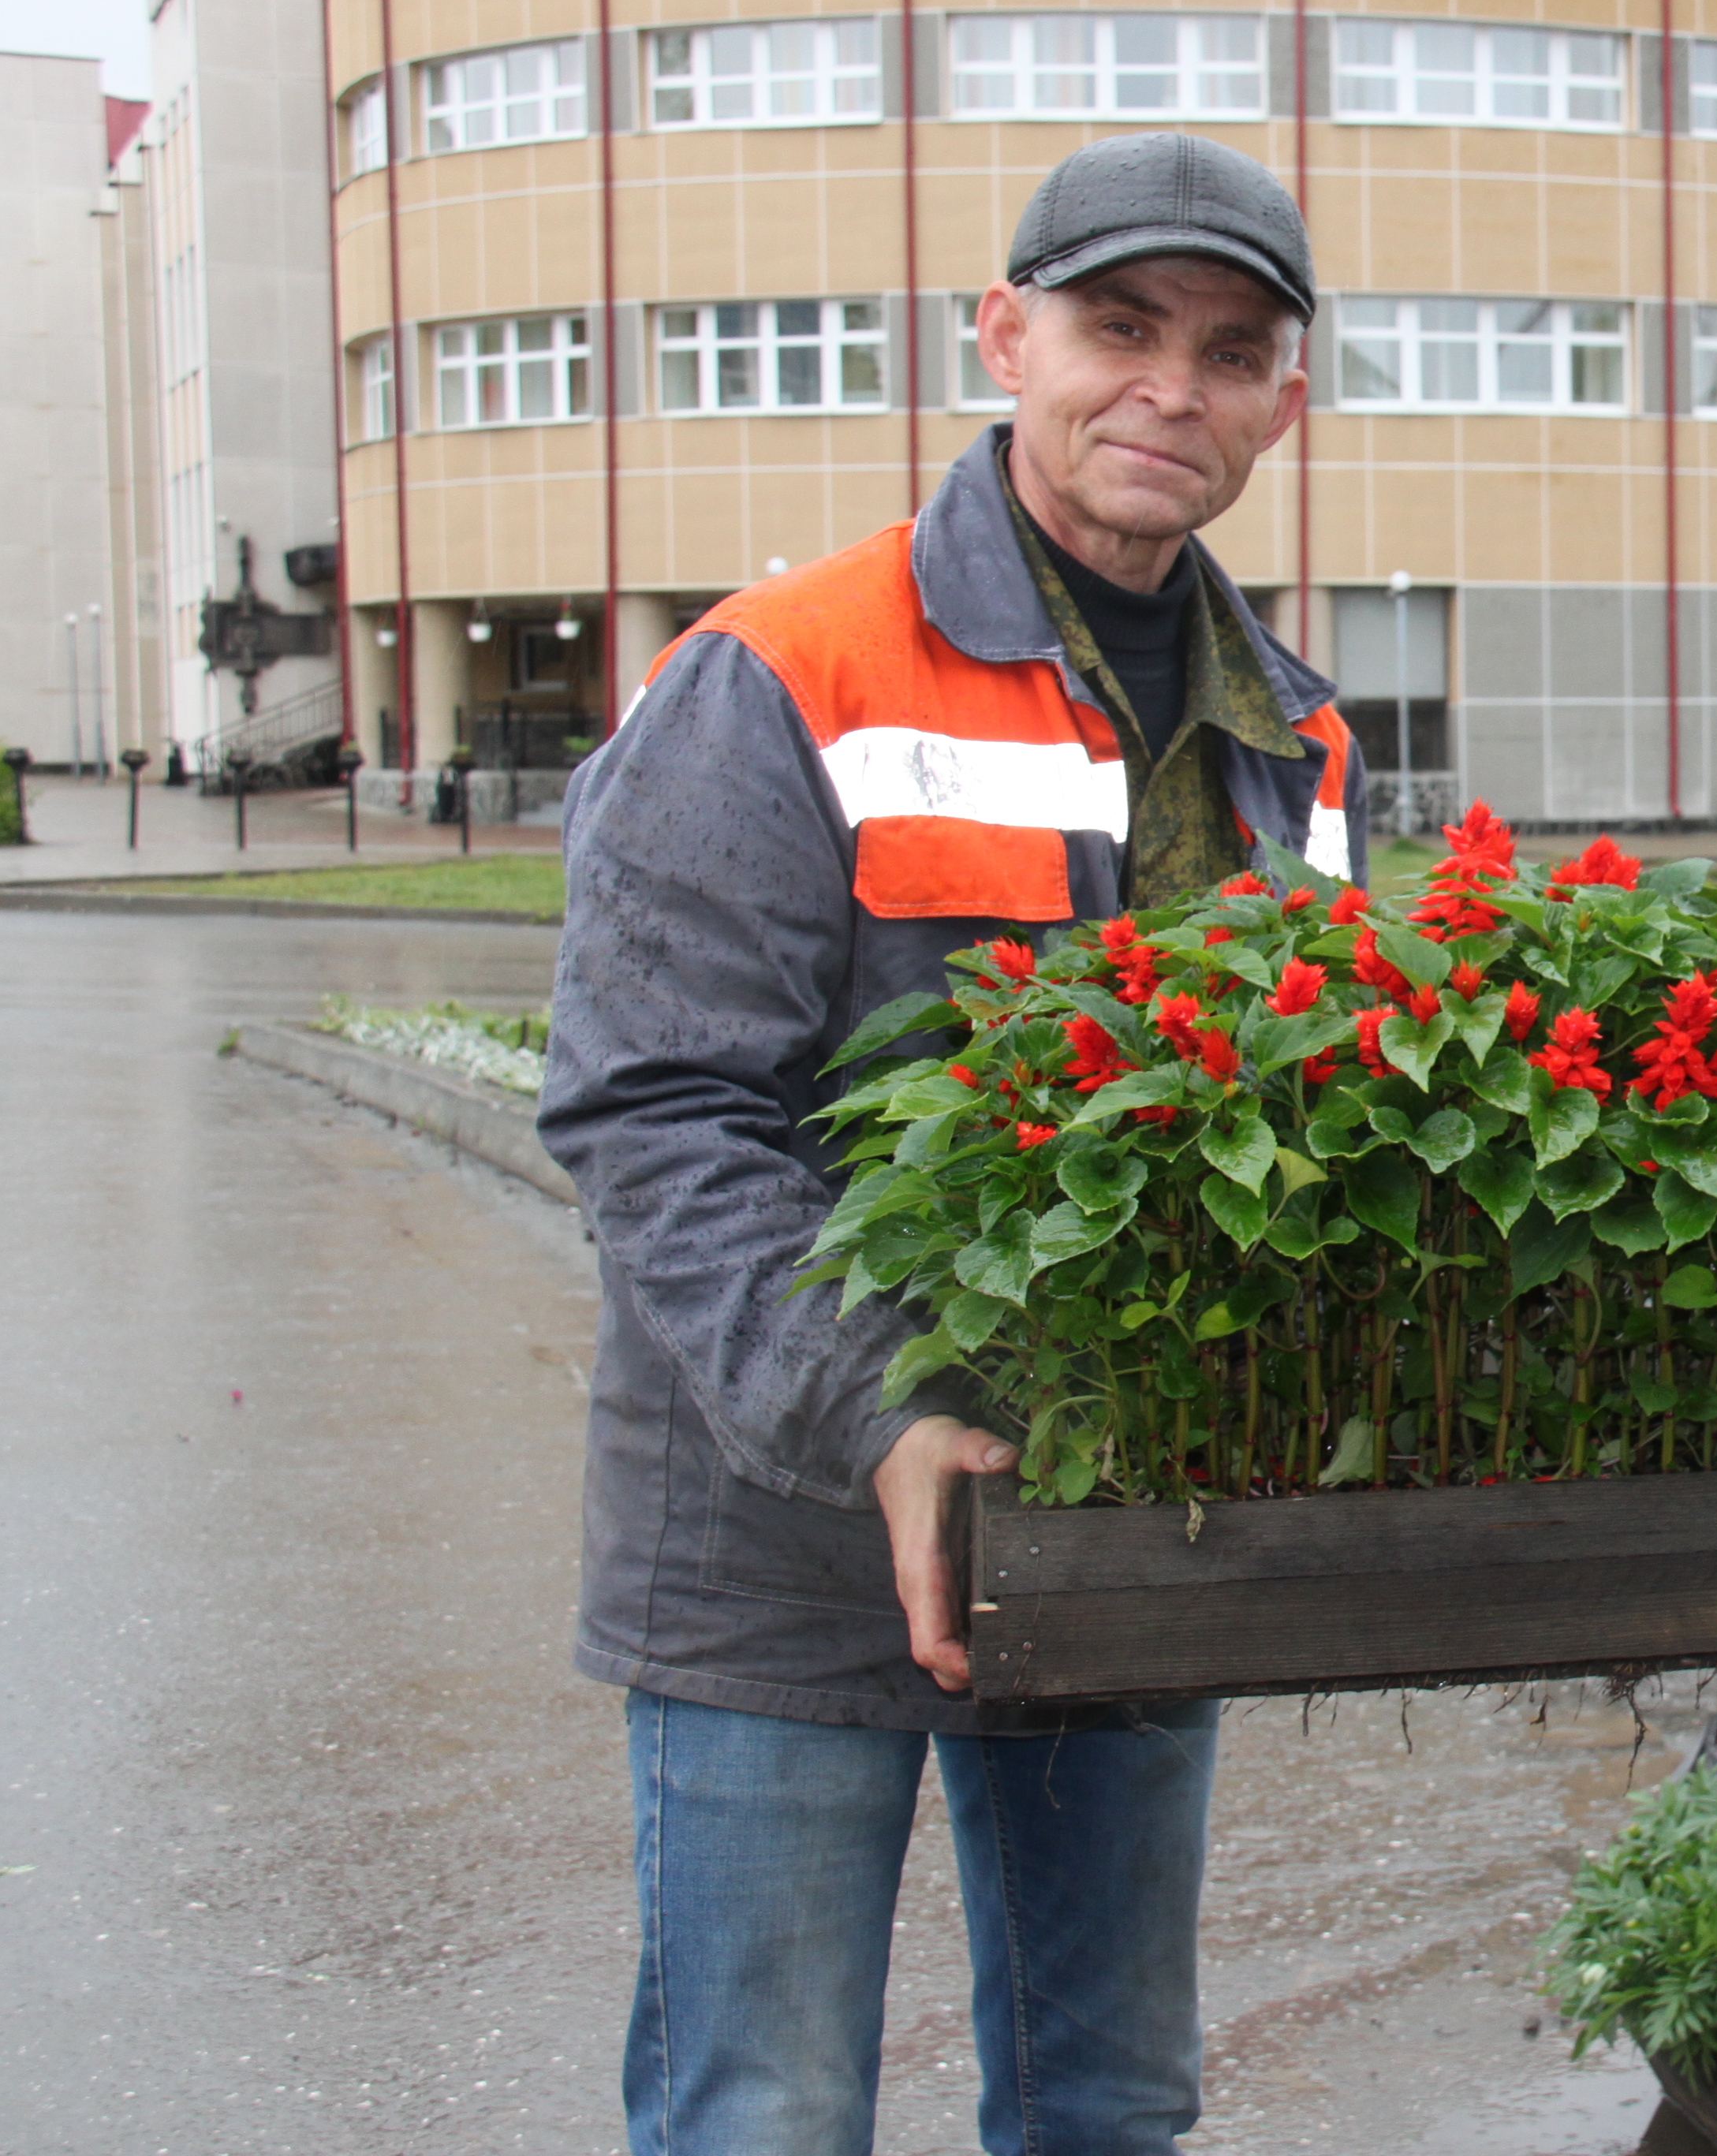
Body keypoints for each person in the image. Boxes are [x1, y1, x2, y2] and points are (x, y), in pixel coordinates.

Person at [537, 132, 1357, 2156]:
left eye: (1228, 348)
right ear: (1003, 335)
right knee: (771, 2109)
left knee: (1111, 2104)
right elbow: (661, 1108)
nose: (1168, 386)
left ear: (1283, 405)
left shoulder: (1299, 741)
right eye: (1117, 327)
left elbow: (1313, 1128)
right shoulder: (782, 671)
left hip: (1124, 1520)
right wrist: (883, 1415)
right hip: (781, 1528)